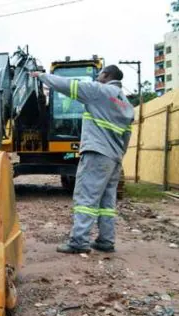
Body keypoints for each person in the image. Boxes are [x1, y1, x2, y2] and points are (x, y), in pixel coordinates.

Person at [30, 65, 134, 254]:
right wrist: (119, 155)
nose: (97, 77)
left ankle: (79, 241)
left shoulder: (99, 91)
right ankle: (106, 240)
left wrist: (42, 76)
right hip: (114, 157)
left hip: (96, 153)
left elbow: (69, 85)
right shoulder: (126, 104)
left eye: (100, 74)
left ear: (106, 75)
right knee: (106, 202)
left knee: (86, 197)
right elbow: (127, 136)